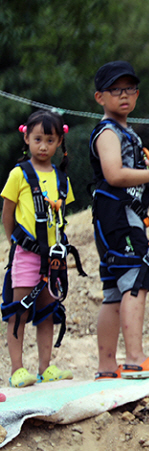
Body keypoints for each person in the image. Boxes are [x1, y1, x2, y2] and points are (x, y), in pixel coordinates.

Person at [90, 61, 149, 380]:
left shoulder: (127, 132)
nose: (124, 95)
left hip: (117, 215)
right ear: (100, 97)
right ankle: (135, 359)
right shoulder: (108, 132)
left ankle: (106, 367)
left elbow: (130, 179)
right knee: (136, 280)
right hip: (118, 217)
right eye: (116, 89)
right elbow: (115, 174)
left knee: (113, 290)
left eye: (130, 89)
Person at [1, 110, 76, 387]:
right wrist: (15, 241)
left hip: (54, 257)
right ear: (27, 138)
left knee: (47, 310)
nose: (43, 146)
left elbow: (62, 215)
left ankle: (46, 366)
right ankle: (17, 369)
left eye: (50, 140)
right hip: (26, 254)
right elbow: (7, 213)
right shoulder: (18, 175)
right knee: (18, 309)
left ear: (59, 142)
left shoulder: (61, 178)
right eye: (37, 139)